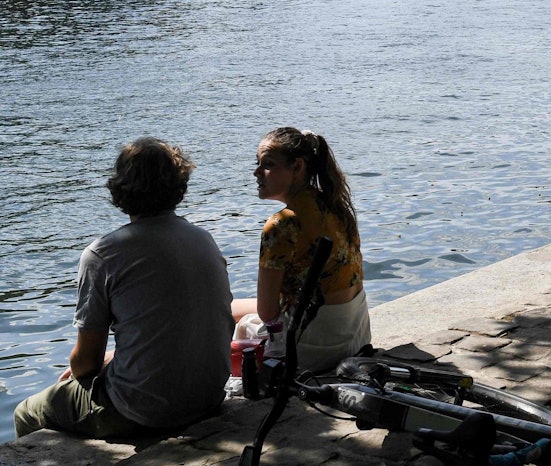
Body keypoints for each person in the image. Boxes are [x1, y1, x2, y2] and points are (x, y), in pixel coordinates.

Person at [14, 139, 233, 438]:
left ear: (120, 189)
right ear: (179, 186)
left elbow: (85, 363)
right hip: (207, 397)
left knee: (27, 411)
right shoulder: (202, 239)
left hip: (143, 411)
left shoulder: (103, 254)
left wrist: (92, 368)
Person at [232, 127, 371, 373]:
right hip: (355, 336)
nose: (256, 173)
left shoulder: (282, 224)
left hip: (311, 348)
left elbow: (267, 312)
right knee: (233, 306)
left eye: (268, 164)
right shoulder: (337, 207)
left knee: (226, 313)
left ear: (297, 167)